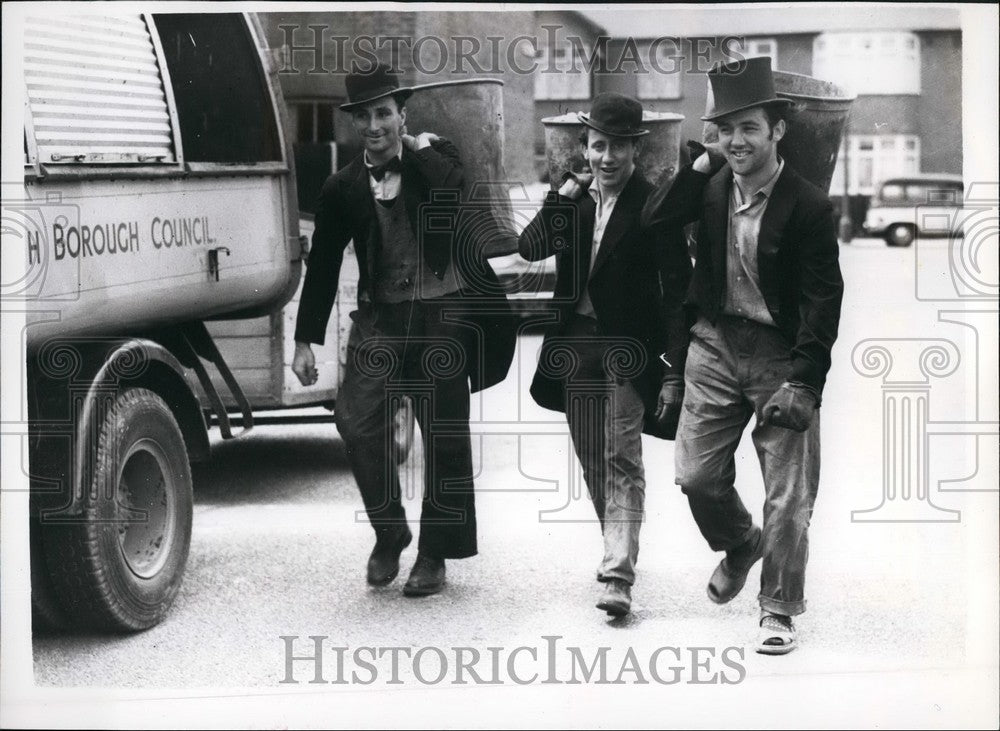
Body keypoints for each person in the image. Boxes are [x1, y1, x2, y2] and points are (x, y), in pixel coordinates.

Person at [642, 57, 844, 653]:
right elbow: (655, 220)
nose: (736, 140)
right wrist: (700, 162)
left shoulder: (807, 206)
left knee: (788, 491)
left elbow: (821, 298)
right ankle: (740, 543)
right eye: (724, 127)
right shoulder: (709, 189)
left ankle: (778, 608)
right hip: (715, 342)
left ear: (778, 130)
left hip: (781, 354)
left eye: (748, 127)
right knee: (695, 475)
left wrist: (806, 381)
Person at [292, 63, 514, 597]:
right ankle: (389, 531)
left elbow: (453, 186)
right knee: (354, 420)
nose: (375, 125)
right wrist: (305, 339)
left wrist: (415, 148)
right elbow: (322, 262)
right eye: (365, 116)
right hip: (382, 318)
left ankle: (435, 554)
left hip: (443, 315)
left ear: (402, 115)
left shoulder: (434, 160)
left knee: (443, 433)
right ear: (353, 123)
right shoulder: (342, 186)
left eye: (384, 113)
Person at [519, 92, 693, 617]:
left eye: (619, 147)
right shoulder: (575, 200)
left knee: (621, 456)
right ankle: (615, 543)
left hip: (630, 351)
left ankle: (618, 573)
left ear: (636, 150)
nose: (608, 158)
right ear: (584, 149)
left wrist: (675, 371)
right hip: (575, 347)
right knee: (593, 456)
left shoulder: (652, 204)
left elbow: (676, 291)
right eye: (598, 146)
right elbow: (529, 248)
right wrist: (563, 195)